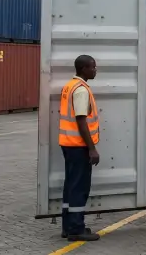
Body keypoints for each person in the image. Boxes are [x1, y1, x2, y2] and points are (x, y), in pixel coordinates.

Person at [58, 55, 101, 242]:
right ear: (84, 69)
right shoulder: (81, 90)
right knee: (79, 187)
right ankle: (76, 229)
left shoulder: (70, 86)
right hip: (78, 146)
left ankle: (68, 227)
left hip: (68, 144)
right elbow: (81, 120)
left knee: (70, 186)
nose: (95, 70)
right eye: (93, 67)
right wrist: (92, 148)